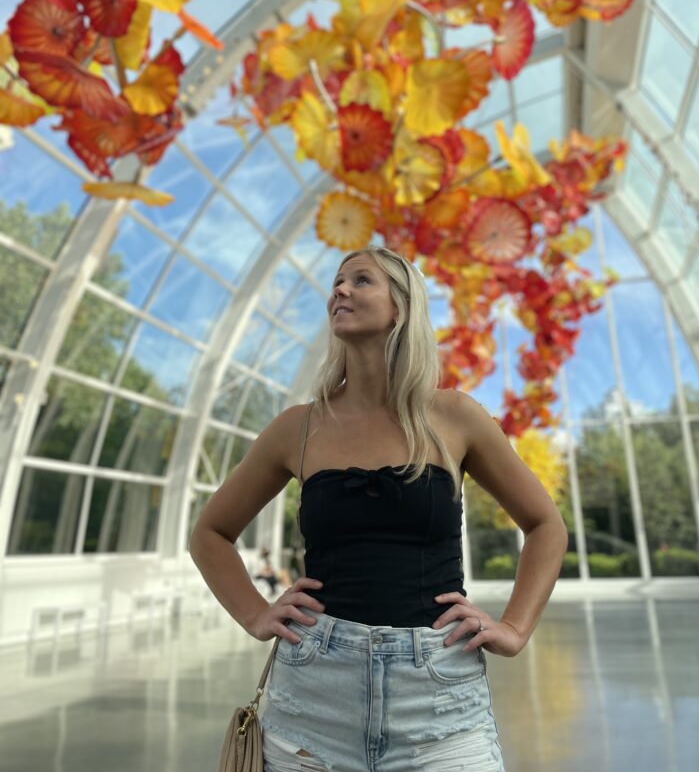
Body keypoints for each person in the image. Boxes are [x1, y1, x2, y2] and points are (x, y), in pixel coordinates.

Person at [189, 246, 568, 771]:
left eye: (360, 281)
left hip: (438, 697)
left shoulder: (454, 417)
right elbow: (210, 531)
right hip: (314, 694)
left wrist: (515, 627)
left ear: (402, 307)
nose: (339, 290)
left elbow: (545, 525)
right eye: (337, 282)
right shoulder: (298, 428)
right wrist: (255, 613)